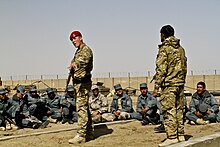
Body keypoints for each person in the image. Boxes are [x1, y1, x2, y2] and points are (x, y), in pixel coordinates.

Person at [152, 25, 187, 146]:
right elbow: (184, 67)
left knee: (169, 111)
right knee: (179, 110)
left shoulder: (165, 49)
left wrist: (156, 86)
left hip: (169, 85)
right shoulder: (181, 49)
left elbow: (161, 69)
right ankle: (180, 134)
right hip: (180, 84)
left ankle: (172, 136)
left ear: (163, 34)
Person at [68, 31, 94, 144]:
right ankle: (89, 132)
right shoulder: (78, 51)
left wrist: (75, 64)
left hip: (83, 84)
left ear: (81, 38)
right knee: (84, 109)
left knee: (81, 109)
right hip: (79, 84)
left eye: (75, 38)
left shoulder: (85, 50)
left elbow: (84, 61)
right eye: (72, 40)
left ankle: (81, 135)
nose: (74, 41)